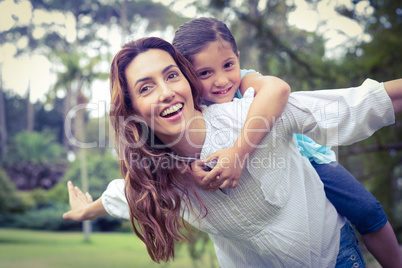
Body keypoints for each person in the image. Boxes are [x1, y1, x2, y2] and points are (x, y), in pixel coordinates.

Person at [63, 37, 402, 267]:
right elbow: (122, 195)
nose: (165, 92)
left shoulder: (252, 116)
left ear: (189, 82)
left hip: (335, 258)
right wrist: (85, 212)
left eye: (172, 75)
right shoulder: (158, 176)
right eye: (146, 87)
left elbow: (361, 103)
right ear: (133, 108)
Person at [171, 17, 402, 267]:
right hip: (263, 209)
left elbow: (278, 89)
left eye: (228, 65)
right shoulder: (189, 109)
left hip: (305, 157)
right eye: (205, 73)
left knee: (366, 209)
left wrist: (239, 152)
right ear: (186, 76)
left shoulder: (245, 81)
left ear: (237, 57)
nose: (222, 80)